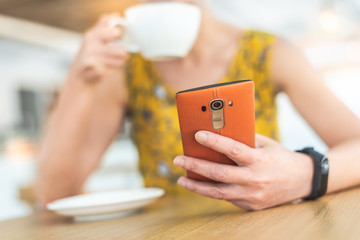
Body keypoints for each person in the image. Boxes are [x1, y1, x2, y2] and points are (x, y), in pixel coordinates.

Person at [36, 0, 360, 210]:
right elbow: (54, 194)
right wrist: (79, 82)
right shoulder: (127, 72)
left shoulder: (268, 52)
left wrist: (305, 173)